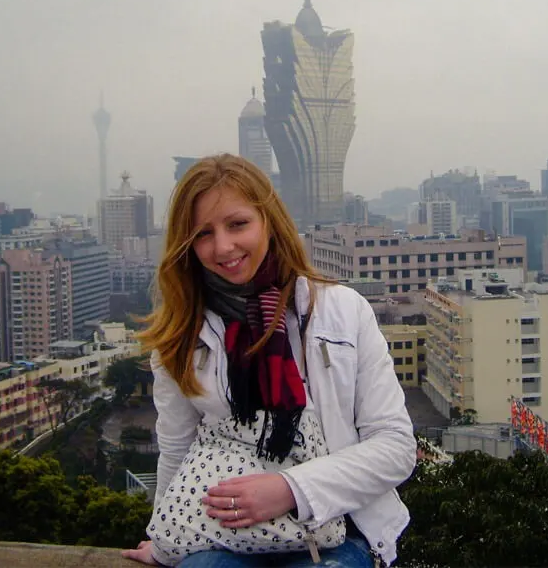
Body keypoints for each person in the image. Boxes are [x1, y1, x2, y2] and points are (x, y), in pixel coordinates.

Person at [122, 154, 416, 567]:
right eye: (204, 233)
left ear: (269, 221)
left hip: (334, 528)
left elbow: (395, 447)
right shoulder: (182, 334)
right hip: (224, 531)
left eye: (237, 224)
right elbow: (176, 449)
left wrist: (290, 488)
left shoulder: (341, 311)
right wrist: (166, 538)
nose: (223, 247)